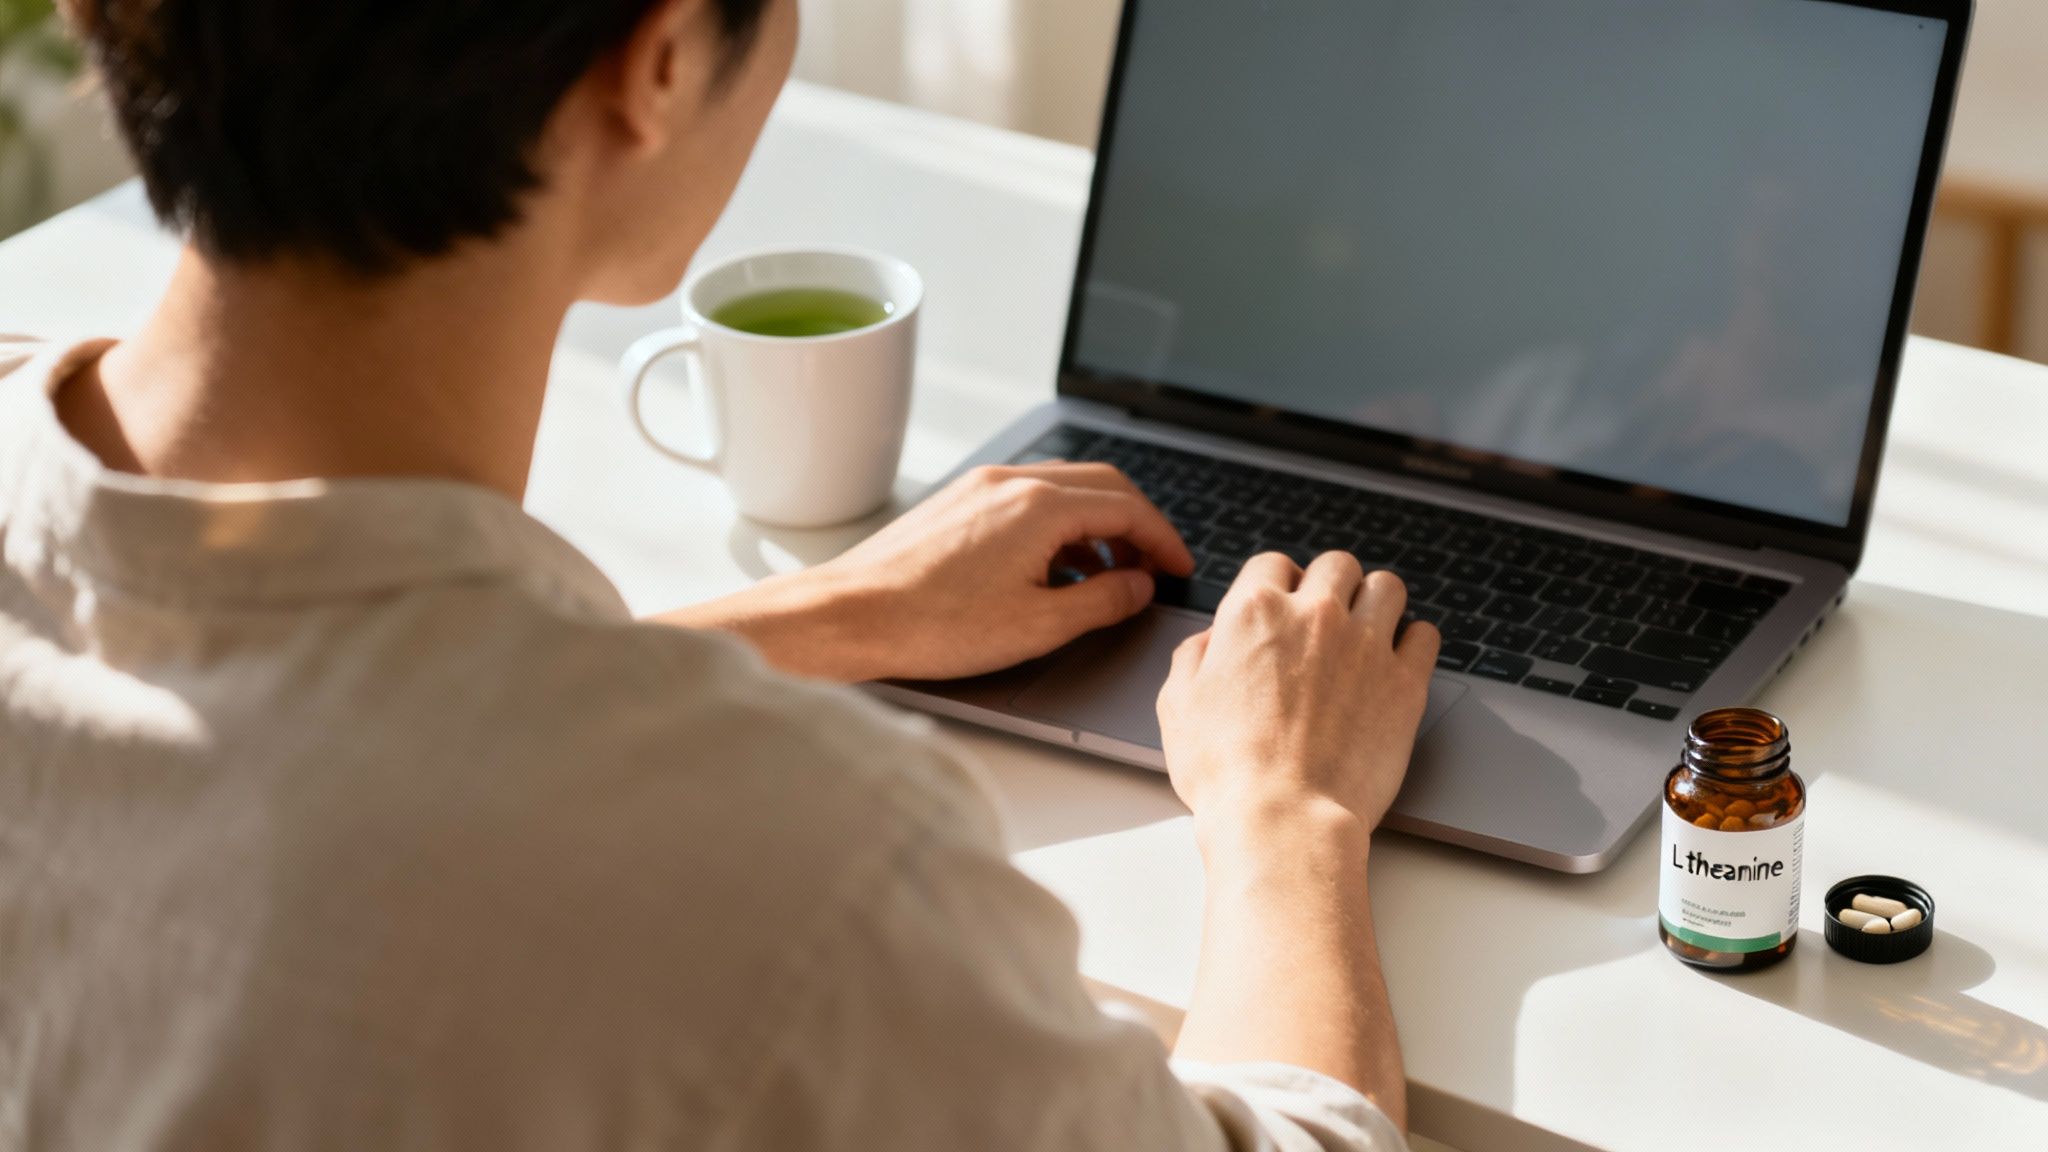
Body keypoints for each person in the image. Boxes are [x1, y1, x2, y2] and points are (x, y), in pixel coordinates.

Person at [0, 1, 1441, 1149]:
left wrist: (825, 613)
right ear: (666, 60)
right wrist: (1287, 810)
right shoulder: (790, 878)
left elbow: (280, 699)